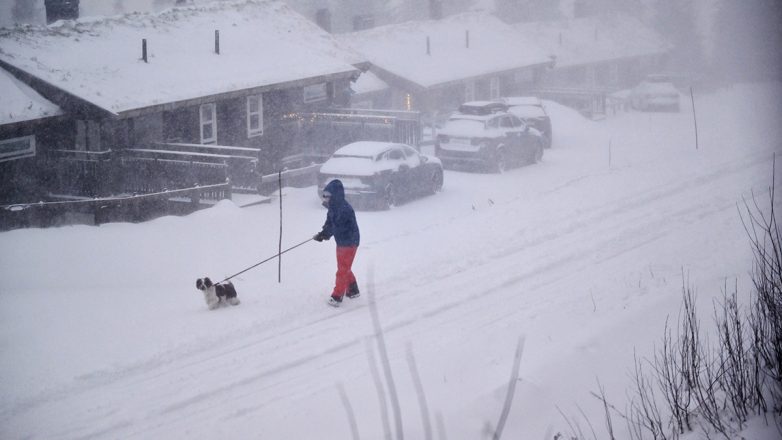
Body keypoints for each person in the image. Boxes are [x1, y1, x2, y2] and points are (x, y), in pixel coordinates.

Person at [313, 179, 360, 307]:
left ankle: (337, 296)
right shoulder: (333, 208)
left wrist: (325, 235)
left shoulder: (344, 210)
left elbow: (337, 226)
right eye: (324, 195)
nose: (325, 198)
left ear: (335, 196)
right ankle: (353, 289)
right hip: (341, 241)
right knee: (344, 267)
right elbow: (330, 223)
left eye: (327, 196)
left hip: (350, 242)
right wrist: (322, 233)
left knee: (342, 269)